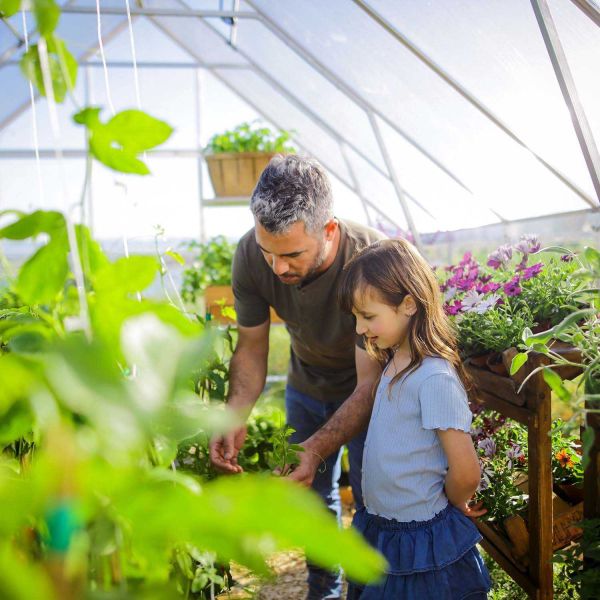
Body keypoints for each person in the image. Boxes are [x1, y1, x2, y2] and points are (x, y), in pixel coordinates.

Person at [209, 154, 385, 600]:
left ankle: (361, 595)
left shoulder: (369, 261)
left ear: (328, 230)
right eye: (269, 253)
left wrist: (317, 447)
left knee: (370, 502)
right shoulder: (252, 255)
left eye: (291, 255)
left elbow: (370, 384)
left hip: (374, 395)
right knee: (313, 500)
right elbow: (251, 349)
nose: (278, 268)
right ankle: (322, 591)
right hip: (306, 388)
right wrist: (233, 415)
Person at [335, 239, 491, 599]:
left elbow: (466, 472)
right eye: (356, 317)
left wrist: (448, 506)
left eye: (368, 316)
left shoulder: (434, 378)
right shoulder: (395, 363)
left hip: (420, 538)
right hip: (383, 528)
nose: (359, 329)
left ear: (408, 304)